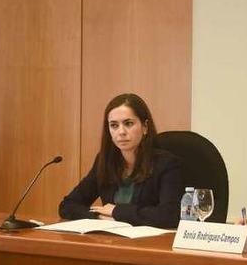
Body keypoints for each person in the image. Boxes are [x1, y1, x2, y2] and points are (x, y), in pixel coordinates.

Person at [59, 93, 183, 228]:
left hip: (150, 244)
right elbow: (68, 205)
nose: (121, 132)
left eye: (128, 123)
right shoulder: (105, 161)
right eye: (114, 125)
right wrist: (98, 218)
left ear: (145, 127)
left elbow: (170, 215)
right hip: (112, 240)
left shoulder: (166, 164)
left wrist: (116, 212)